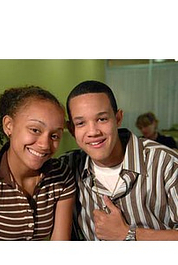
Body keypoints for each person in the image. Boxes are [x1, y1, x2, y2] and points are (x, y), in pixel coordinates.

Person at [60, 80, 178, 241]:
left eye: (102, 119)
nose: (93, 132)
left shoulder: (165, 162)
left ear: (118, 118)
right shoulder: (66, 168)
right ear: (72, 129)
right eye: (81, 123)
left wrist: (129, 234)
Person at [0, 86, 75, 241]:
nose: (45, 144)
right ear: (8, 126)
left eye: (55, 135)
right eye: (35, 130)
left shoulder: (61, 175)